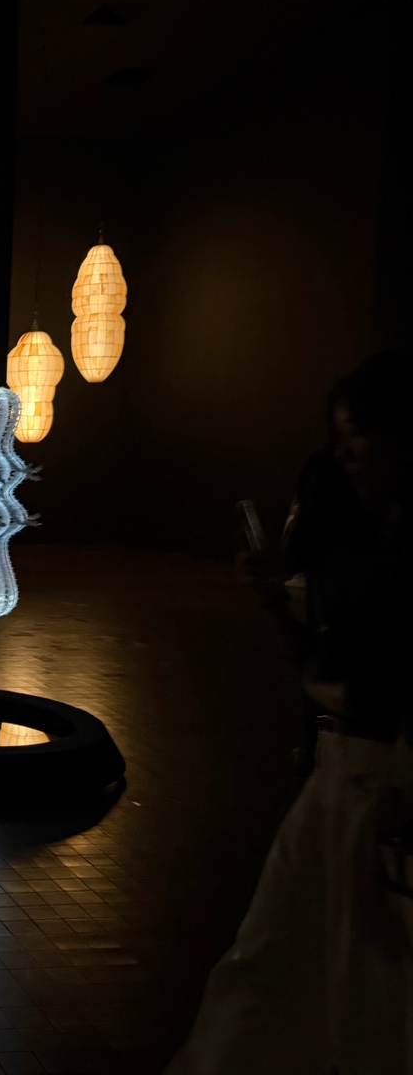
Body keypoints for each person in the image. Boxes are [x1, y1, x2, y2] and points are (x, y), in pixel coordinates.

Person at [166, 351, 413, 1075]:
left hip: (382, 785)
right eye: (338, 436)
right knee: (282, 957)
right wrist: (277, 607)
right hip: (341, 778)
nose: (345, 453)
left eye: (357, 433)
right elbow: (319, 667)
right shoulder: (360, 539)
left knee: (368, 976)